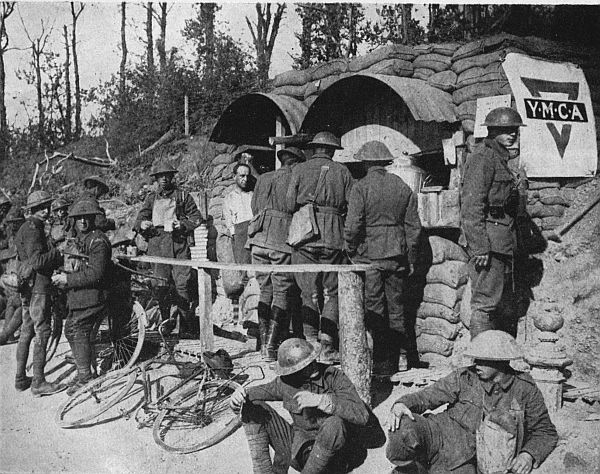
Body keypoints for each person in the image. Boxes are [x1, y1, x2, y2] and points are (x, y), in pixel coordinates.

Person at [386, 330, 558, 474]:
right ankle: (413, 468)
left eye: (481, 360)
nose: (476, 364)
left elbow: (545, 431)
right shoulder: (465, 377)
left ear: (500, 362)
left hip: (465, 457)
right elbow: (427, 396)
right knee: (402, 426)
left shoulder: (524, 389)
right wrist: (402, 404)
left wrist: (528, 454)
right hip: (438, 434)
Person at [229, 337, 370, 473]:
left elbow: (362, 415)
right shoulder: (286, 382)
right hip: (302, 451)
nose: (313, 366)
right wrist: (239, 396)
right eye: (305, 366)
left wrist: (321, 401)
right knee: (252, 407)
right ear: (293, 371)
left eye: (312, 360)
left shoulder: (334, 377)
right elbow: (256, 393)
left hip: (333, 459)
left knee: (335, 423)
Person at [344, 141, 422, 375]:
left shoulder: (361, 187)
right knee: (397, 307)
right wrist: (411, 258)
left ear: (366, 163)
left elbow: (352, 226)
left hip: (371, 257)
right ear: (385, 162)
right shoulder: (402, 186)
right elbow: (414, 228)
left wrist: (351, 250)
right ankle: (400, 359)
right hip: (396, 256)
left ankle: (379, 362)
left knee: (374, 308)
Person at [286, 131, 353, 364]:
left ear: (314, 149)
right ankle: (327, 345)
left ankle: (311, 343)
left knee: (308, 292)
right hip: (334, 236)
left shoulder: (299, 170)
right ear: (332, 150)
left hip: (305, 238)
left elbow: (287, 203)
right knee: (331, 292)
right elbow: (350, 204)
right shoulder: (343, 171)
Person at [459, 107, 525, 338]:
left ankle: (500, 361)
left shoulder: (501, 159)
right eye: (506, 131)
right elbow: (471, 205)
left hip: (503, 242)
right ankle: (482, 362)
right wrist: (479, 247)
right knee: (485, 304)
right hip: (489, 243)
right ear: (492, 131)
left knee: (501, 304)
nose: (512, 135)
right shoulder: (483, 157)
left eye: (515, 131)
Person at [248, 147, 305, 362]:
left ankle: (263, 344)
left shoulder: (263, 178)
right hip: (280, 239)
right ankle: (271, 348)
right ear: (296, 162)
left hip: (257, 239)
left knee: (265, 289)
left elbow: (254, 207)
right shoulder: (294, 177)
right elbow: (295, 206)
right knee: (281, 291)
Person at [134, 161, 202, 336]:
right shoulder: (151, 198)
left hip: (179, 245)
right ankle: (165, 324)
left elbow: (196, 218)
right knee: (160, 286)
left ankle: (186, 326)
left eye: (167, 175)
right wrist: (143, 223)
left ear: (172, 177)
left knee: (183, 285)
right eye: (160, 176)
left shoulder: (183, 196)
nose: (164, 179)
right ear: (156, 179)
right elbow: (139, 219)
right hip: (157, 247)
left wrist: (183, 224)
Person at [52, 199, 112, 395]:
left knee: (78, 330)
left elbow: (96, 274)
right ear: (74, 221)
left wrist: (67, 280)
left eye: (87, 218)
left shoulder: (98, 241)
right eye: (79, 218)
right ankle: (83, 370)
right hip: (82, 296)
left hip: (95, 297)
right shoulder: (80, 239)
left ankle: (86, 379)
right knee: (69, 330)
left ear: (93, 219)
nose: (83, 222)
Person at [13, 190, 64, 396]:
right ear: (32, 210)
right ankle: (38, 382)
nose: (46, 210)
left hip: (27, 287)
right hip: (38, 288)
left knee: (26, 330)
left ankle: (20, 379)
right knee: (42, 330)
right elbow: (37, 261)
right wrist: (58, 252)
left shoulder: (25, 228)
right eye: (40, 208)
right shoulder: (34, 230)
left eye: (47, 206)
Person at [223, 161, 254, 265]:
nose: (245, 179)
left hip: (253, 232)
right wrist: (234, 234)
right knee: (242, 264)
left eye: (247, 176)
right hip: (239, 234)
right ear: (234, 177)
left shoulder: (252, 195)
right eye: (242, 176)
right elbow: (228, 219)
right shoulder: (229, 197)